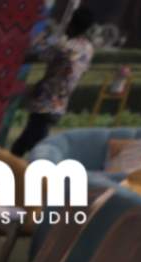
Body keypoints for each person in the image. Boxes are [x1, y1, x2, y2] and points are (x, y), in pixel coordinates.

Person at [14, 7, 94, 155]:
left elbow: (33, 55)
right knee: (27, 141)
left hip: (46, 101)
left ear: (72, 24)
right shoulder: (88, 48)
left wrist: (39, 38)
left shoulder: (64, 47)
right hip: (60, 104)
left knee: (34, 145)